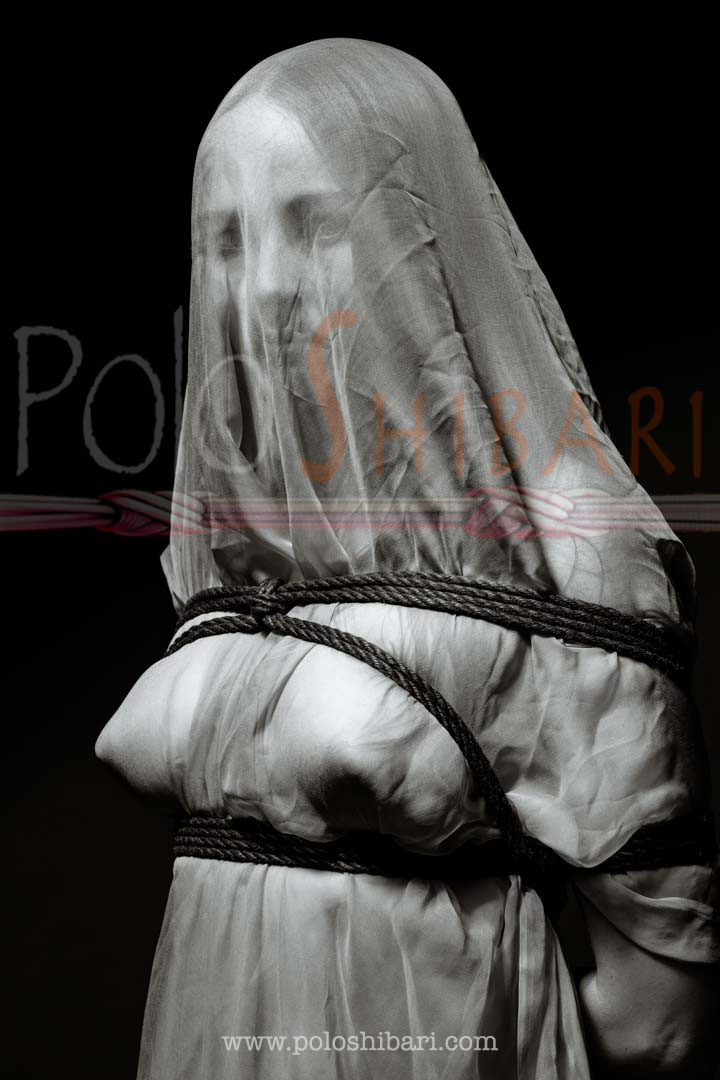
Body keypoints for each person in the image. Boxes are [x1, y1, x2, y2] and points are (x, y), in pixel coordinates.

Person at [96, 38, 718, 1078]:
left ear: (414, 238)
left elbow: (658, 1021)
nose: (262, 290)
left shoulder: (562, 542)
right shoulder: (237, 541)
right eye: (227, 242)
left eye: (316, 226)